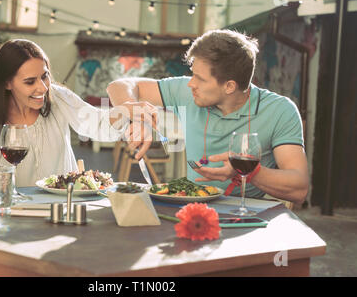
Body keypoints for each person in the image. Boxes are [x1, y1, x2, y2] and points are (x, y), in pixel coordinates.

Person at [107, 29, 309, 205]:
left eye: (200, 79)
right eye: (192, 74)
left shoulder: (280, 111)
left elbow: (299, 188)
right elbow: (120, 86)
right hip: (193, 209)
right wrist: (134, 112)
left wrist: (248, 171)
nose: (190, 84)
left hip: (248, 217)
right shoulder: (188, 92)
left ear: (229, 86)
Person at [0, 39, 153, 189]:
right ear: (6, 83)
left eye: (45, 76)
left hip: (62, 206)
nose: (42, 87)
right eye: (29, 82)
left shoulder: (58, 97)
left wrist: (125, 110)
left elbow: (97, 125)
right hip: (16, 211)